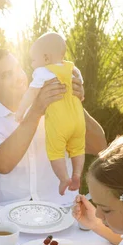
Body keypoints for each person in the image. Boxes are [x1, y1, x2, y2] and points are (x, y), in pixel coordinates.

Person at [0, 49, 107, 205]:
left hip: (62, 208)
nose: (18, 77)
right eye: (6, 75)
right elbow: (2, 165)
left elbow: (99, 146)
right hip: (9, 216)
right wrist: (35, 111)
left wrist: (73, 101)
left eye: (17, 68)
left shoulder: (55, 106)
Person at [15, 32, 85, 195]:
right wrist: (82, 94)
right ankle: (77, 174)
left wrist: (21, 112)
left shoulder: (43, 72)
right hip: (78, 118)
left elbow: (31, 94)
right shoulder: (71, 67)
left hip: (60, 121)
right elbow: (79, 83)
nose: (32, 64)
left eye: (33, 59)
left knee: (55, 151)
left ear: (46, 58)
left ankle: (64, 178)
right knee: (77, 148)